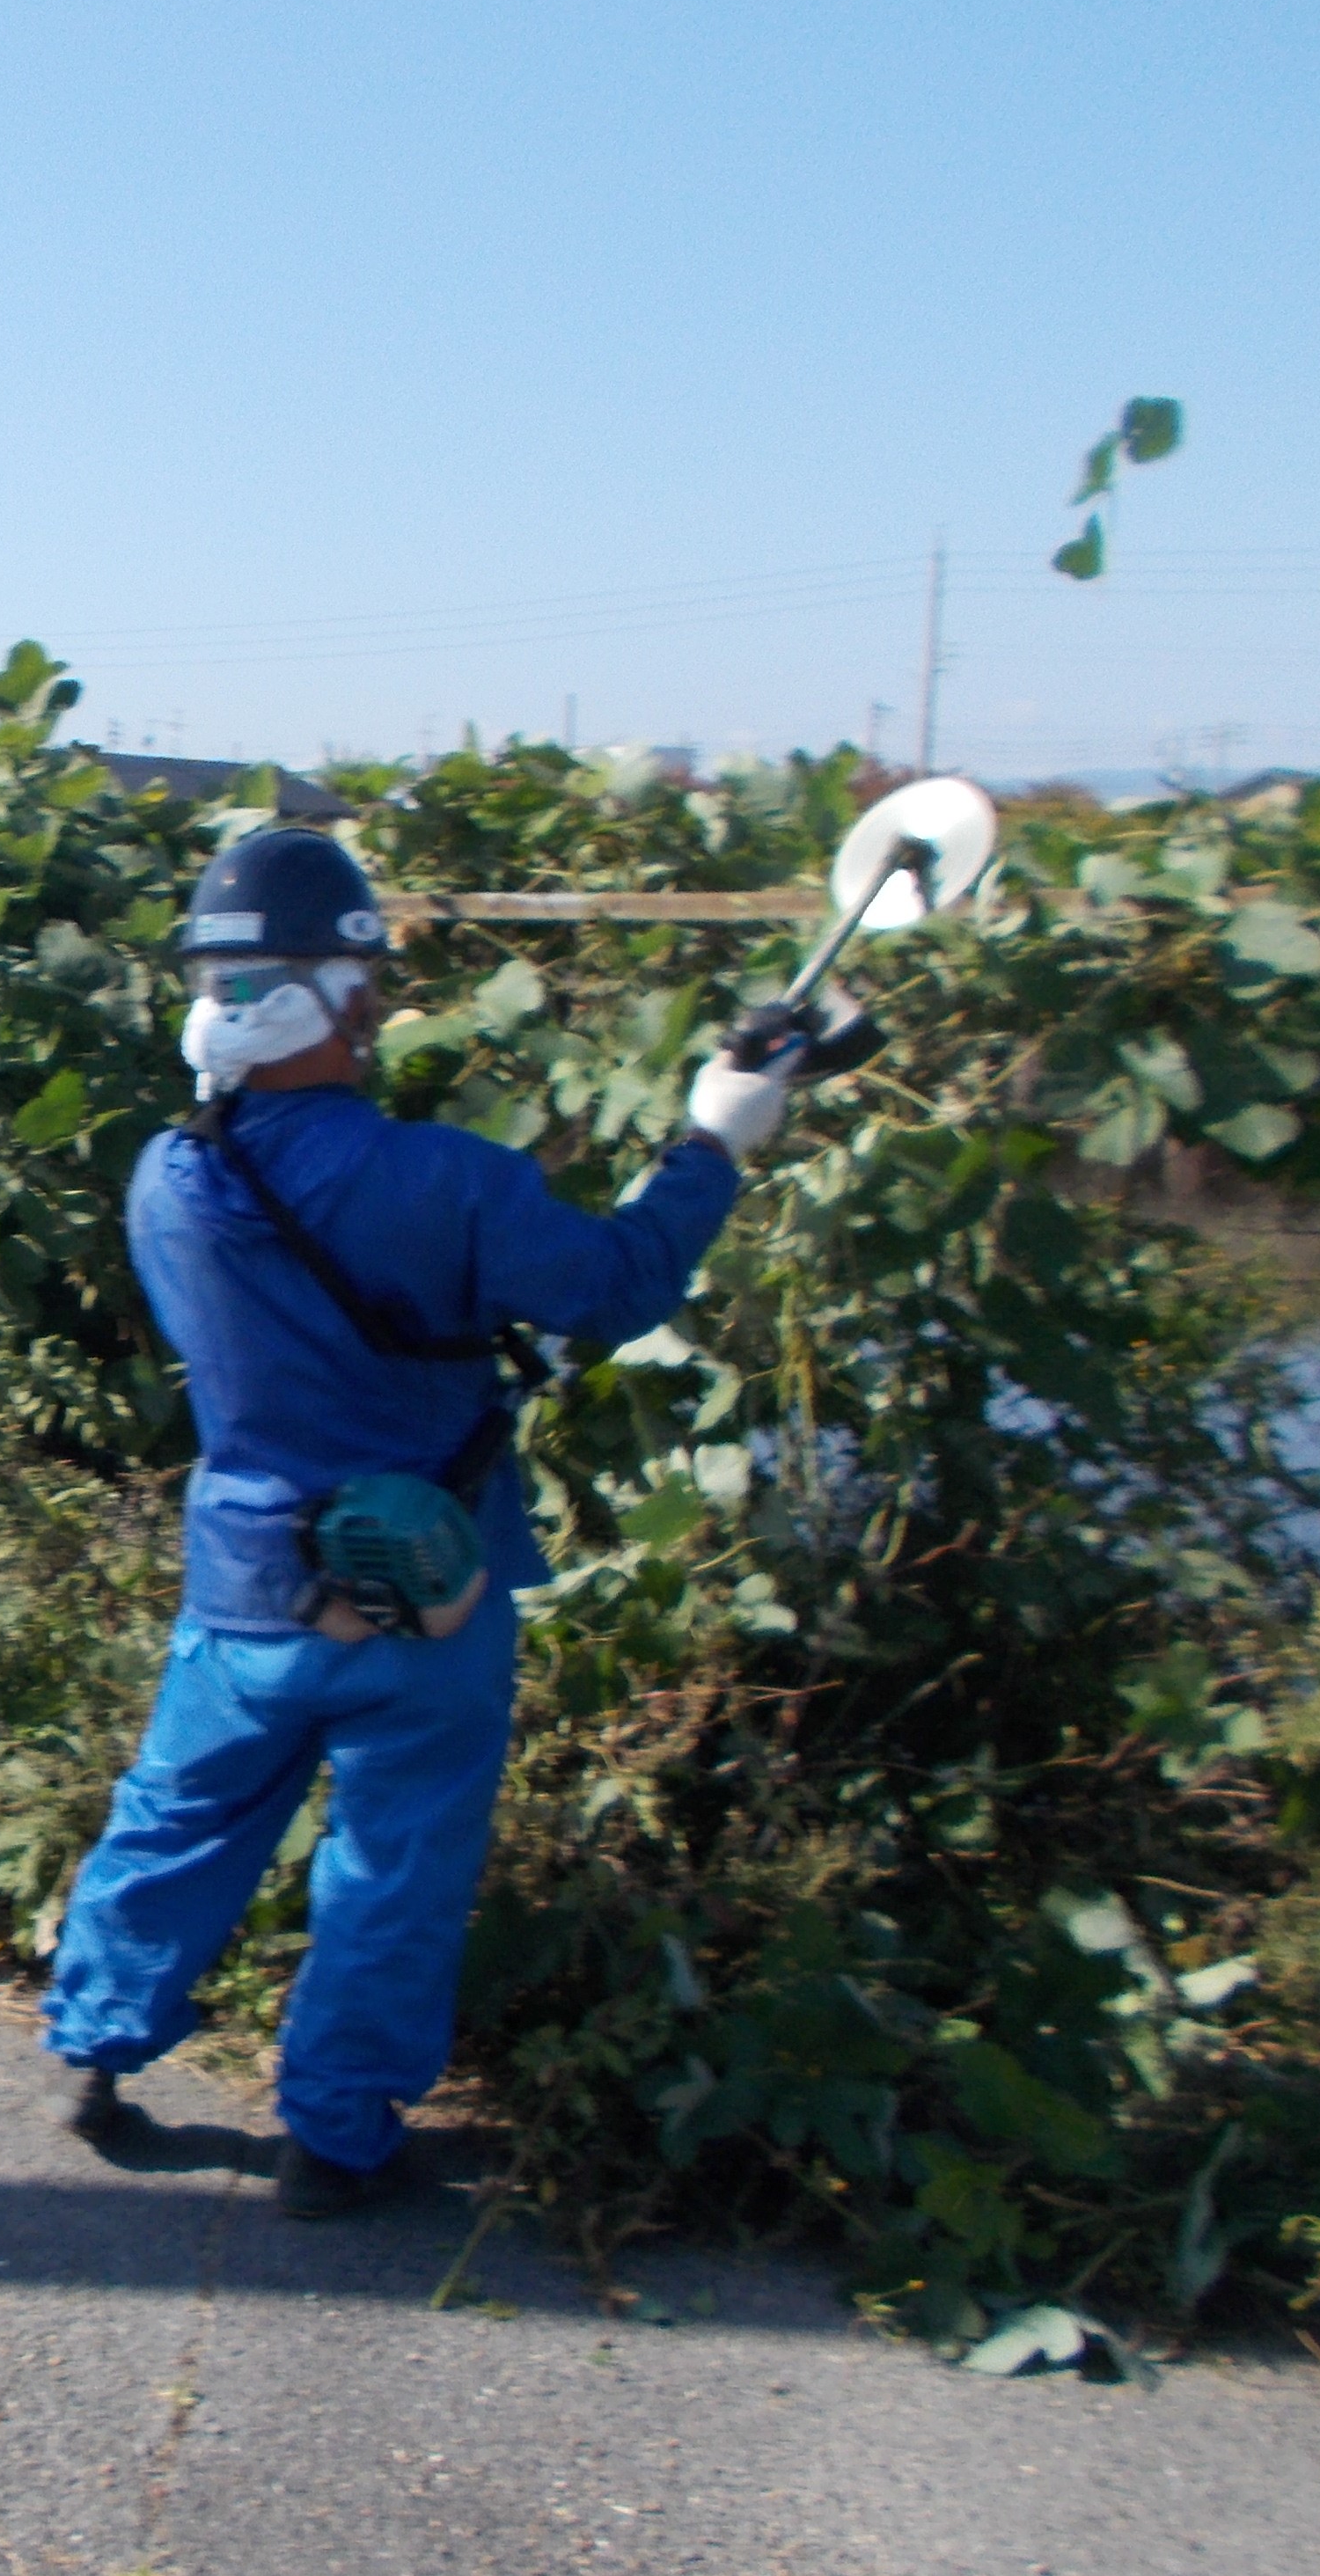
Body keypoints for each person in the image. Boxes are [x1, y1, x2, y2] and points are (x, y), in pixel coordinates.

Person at [40, 823, 801, 2218]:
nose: (380, 1008)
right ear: (329, 996)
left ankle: (92, 2054)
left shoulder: (168, 1178)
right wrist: (714, 1141)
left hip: (247, 1587)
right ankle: (335, 2141)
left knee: (179, 1818)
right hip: (426, 1590)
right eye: (367, 986)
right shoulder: (449, 1180)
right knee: (394, 1864)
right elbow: (614, 1286)